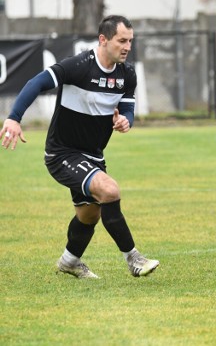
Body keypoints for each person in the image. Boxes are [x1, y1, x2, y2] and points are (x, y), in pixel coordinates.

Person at [1, 15, 160, 279]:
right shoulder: (78, 66)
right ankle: (133, 258)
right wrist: (14, 118)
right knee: (109, 190)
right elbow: (35, 83)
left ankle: (69, 261)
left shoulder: (126, 74)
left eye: (130, 41)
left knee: (89, 215)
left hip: (93, 155)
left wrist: (125, 120)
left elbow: (128, 108)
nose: (127, 47)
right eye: (122, 40)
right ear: (103, 39)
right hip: (62, 153)